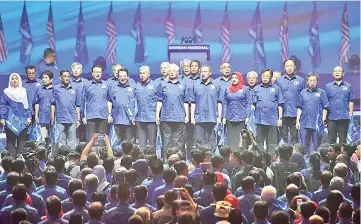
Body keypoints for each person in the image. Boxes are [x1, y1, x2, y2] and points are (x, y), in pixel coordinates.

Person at [156, 63, 189, 157]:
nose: (172, 72)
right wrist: (157, 115)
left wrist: (187, 115)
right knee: (166, 142)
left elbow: (186, 101)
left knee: (178, 143)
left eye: (174, 71)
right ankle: (166, 161)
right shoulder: (162, 84)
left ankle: (177, 162)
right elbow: (159, 101)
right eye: (170, 71)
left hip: (179, 117)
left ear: (177, 72)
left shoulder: (183, 84)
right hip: (166, 117)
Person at [296, 72, 329, 157]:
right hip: (304, 122)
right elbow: (299, 107)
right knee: (303, 146)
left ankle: (316, 164)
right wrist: (297, 121)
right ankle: (304, 163)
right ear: (307, 82)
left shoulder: (321, 92)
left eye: (314, 80)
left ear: (317, 81)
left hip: (317, 123)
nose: (312, 82)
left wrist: (323, 119)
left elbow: (325, 107)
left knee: (316, 146)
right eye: (310, 80)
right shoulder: (302, 93)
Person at [0, 73, 32, 155]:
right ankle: (11, 161)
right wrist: (2, 118)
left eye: (16, 78)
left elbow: (28, 105)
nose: (14, 80)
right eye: (12, 79)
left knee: (22, 140)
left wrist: (29, 117)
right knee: (11, 140)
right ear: (10, 80)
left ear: (19, 80)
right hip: (10, 119)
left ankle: (20, 161)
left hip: (23, 118)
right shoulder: (6, 92)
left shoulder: (24, 91)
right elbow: (2, 105)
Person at [253, 68, 284, 154]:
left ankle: (271, 161)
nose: (265, 78)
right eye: (263, 76)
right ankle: (260, 159)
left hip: (272, 120)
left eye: (267, 76)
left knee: (272, 143)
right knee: (259, 142)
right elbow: (253, 104)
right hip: (259, 120)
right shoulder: (256, 88)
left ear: (271, 77)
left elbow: (280, 104)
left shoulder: (276, 88)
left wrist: (280, 119)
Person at [275, 59, 305, 145]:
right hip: (283, 113)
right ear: (284, 68)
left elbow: (303, 97)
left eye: (291, 66)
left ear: (295, 67)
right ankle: (284, 156)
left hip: (295, 113)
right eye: (287, 66)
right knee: (283, 138)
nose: (289, 68)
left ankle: (295, 156)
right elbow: (277, 97)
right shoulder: (279, 80)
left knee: (294, 138)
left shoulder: (300, 80)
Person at [190, 65, 220, 146]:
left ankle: (211, 158)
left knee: (212, 141)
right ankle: (201, 158)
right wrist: (192, 117)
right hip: (199, 117)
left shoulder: (216, 85)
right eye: (202, 71)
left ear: (210, 73)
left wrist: (219, 116)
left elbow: (219, 102)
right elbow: (193, 102)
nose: (203, 73)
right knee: (199, 142)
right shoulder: (196, 85)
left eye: (205, 71)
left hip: (212, 117)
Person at [51, 70, 81, 152]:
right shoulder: (56, 88)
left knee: (72, 142)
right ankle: (62, 159)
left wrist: (78, 119)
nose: (67, 78)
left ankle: (71, 159)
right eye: (65, 76)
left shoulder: (75, 88)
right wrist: (52, 117)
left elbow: (78, 105)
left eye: (68, 76)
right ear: (60, 78)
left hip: (72, 118)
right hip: (60, 118)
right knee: (61, 142)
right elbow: (53, 103)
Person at [325, 66, 355, 144]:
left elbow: (351, 100)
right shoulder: (328, 86)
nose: (337, 72)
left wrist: (350, 114)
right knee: (331, 140)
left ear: (343, 73)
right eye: (335, 71)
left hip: (344, 117)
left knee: (343, 141)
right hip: (331, 117)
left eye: (339, 71)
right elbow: (325, 102)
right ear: (333, 74)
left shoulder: (348, 86)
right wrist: (325, 116)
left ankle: (342, 156)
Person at [221, 72, 251, 148]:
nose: (234, 79)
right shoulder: (227, 89)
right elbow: (224, 104)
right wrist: (223, 117)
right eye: (233, 78)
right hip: (230, 118)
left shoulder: (245, 89)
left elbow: (248, 104)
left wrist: (247, 116)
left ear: (240, 79)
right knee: (231, 139)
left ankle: (242, 157)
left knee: (241, 139)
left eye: (236, 78)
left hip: (241, 118)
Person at [107, 68, 136, 142]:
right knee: (116, 143)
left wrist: (133, 117)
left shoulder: (133, 86)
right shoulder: (112, 87)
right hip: (116, 120)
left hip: (129, 121)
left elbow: (136, 103)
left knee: (128, 143)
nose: (122, 78)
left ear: (128, 76)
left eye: (124, 76)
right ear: (118, 77)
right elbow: (109, 101)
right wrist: (109, 114)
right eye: (121, 76)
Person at [82, 65, 110, 139]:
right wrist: (84, 116)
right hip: (91, 116)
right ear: (92, 73)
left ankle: (101, 150)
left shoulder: (106, 85)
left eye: (99, 72)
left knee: (101, 140)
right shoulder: (87, 85)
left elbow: (109, 100)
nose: (97, 74)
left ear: (102, 73)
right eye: (96, 72)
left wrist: (109, 114)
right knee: (91, 140)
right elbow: (83, 101)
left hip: (103, 116)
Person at [134, 66, 158, 149]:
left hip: (151, 119)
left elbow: (159, 102)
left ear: (149, 74)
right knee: (141, 146)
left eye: (144, 73)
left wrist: (157, 116)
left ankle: (152, 161)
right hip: (139, 120)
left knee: (152, 145)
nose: (142, 75)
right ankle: (142, 161)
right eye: (140, 73)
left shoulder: (155, 86)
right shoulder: (136, 86)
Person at [34, 71, 54, 142]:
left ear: (51, 79)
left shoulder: (55, 90)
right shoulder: (39, 89)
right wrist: (36, 115)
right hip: (42, 117)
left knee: (53, 139)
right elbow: (36, 103)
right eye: (43, 78)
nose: (44, 79)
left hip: (53, 119)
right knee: (42, 139)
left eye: (46, 77)